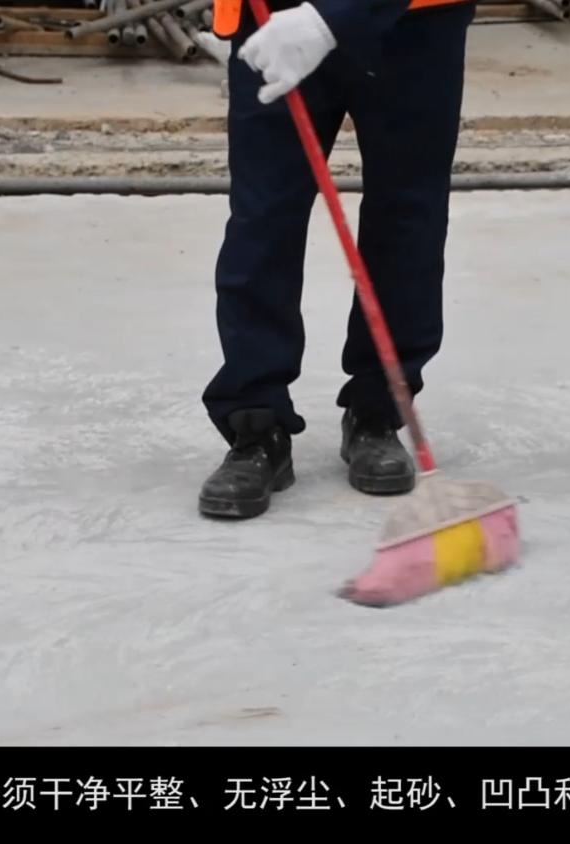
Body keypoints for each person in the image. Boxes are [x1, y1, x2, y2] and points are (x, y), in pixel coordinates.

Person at [197, 0, 479, 519]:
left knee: (406, 220)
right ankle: (256, 423)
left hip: (413, 24)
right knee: (263, 219)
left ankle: (377, 411)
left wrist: (332, 19)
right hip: (272, 18)